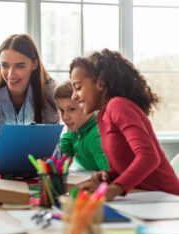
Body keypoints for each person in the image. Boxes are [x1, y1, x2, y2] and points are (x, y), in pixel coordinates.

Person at [69, 48, 179, 200]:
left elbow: (149, 157)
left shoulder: (118, 106)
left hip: (167, 200)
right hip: (143, 198)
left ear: (100, 84)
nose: (74, 96)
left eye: (78, 88)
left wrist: (115, 188)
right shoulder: (102, 117)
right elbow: (125, 164)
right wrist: (109, 176)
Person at [0, 34, 59, 132]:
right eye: (4, 65)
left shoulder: (49, 91)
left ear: (35, 64)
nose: (10, 75)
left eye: (20, 66)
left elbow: (51, 139)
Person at [54, 81, 109, 171]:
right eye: (62, 110)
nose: (65, 117)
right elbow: (66, 143)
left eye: (71, 109)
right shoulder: (76, 127)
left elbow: (111, 173)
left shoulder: (96, 136)